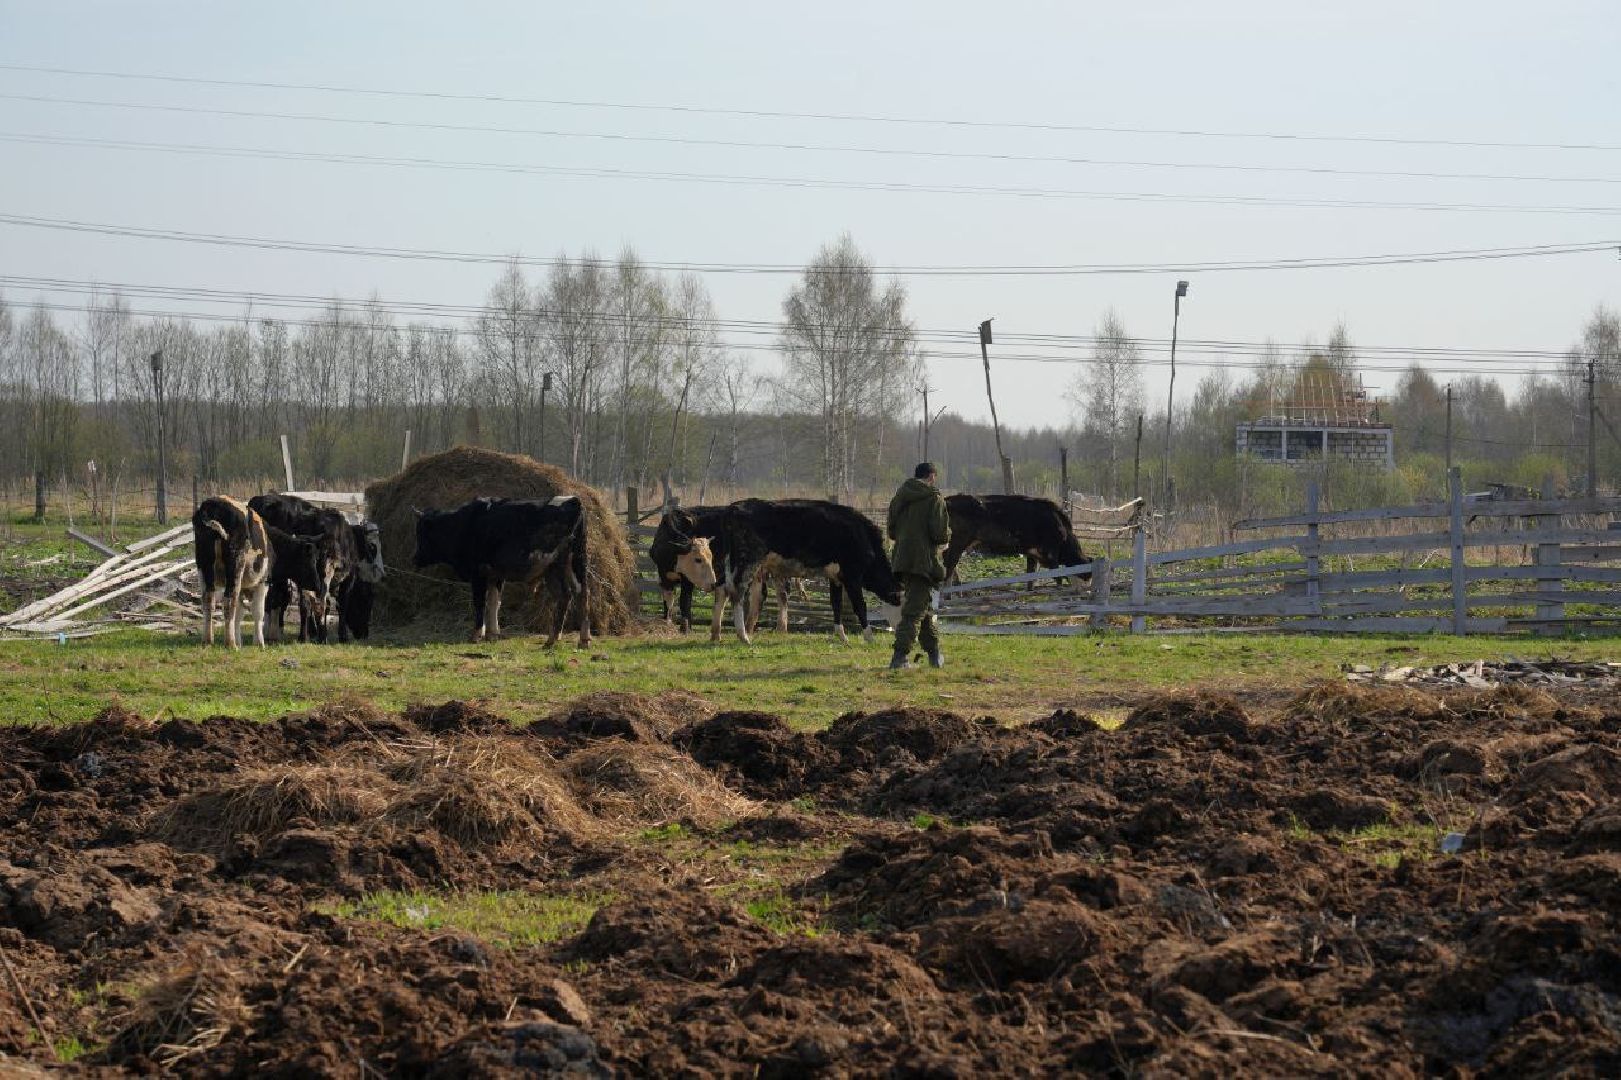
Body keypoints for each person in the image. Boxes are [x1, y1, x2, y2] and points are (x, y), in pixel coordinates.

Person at [886, 461, 950, 670]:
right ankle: (899, 657)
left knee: (921, 606)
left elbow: (891, 531)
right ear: (931, 477)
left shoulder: (900, 497)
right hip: (923, 561)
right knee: (914, 612)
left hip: (902, 559)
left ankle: (934, 654)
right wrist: (948, 536)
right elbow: (939, 533)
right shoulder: (934, 498)